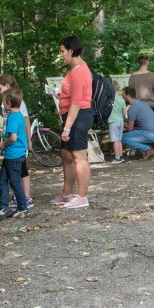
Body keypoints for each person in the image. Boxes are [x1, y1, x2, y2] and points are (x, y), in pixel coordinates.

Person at [54, 35, 92, 209]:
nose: (61, 54)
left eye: (62, 51)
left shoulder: (78, 71)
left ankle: (82, 196)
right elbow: (71, 96)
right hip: (70, 116)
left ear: (71, 50)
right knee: (66, 155)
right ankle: (67, 193)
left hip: (77, 117)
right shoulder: (73, 70)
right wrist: (61, 96)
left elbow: (76, 103)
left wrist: (67, 128)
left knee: (79, 157)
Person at [0, 74, 33, 210]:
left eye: (0, 89)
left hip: (14, 153)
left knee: (15, 181)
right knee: (3, 180)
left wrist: (3, 144)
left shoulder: (14, 116)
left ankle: (23, 205)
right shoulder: (14, 114)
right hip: (14, 152)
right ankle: (4, 207)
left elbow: (14, 137)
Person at [122, 86, 154, 159]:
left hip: (151, 134)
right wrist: (124, 119)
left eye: (123, 95)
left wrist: (123, 122)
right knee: (136, 131)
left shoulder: (132, 108)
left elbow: (130, 129)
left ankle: (146, 149)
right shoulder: (141, 103)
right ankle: (145, 150)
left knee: (123, 138)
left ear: (128, 96)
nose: (123, 97)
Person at [108, 80, 126, 164]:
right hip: (121, 121)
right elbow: (125, 112)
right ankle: (121, 156)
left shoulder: (109, 100)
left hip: (113, 121)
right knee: (119, 140)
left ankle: (117, 158)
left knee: (115, 140)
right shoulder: (122, 99)